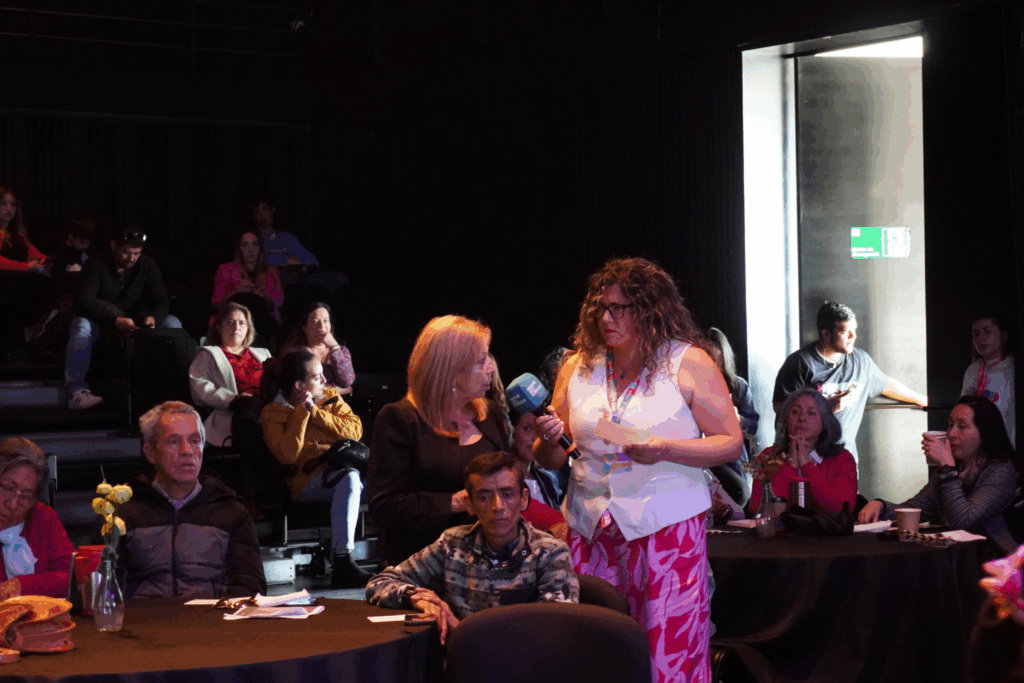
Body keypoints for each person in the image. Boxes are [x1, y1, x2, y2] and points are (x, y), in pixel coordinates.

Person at [533, 256, 743, 683]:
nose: (605, 318)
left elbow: (730, 442)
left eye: (619, 308)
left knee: (666, 652)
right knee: (593, 649)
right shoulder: (578, 366)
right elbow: (550, 458)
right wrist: (549, 439)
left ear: (650, 310)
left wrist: (667, 448)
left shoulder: (688, 362)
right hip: (591, 527)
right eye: (600, 308)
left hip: (666, 528)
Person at [366, 451, 579, 645]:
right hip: (458, 666)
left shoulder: (551, 552)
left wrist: (461, 631)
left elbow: (555, 630)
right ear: (470, 504)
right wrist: (417, 597)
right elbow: (379, 582)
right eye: (484, 497)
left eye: (507, 494)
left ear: (523, 499)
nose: (497, 507)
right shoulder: (453, 544)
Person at [367, 315, 508, 567]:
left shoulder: (490, 414)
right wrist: (458, 502)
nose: (492, 368)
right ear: (450, 370)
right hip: (421, 567)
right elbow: (385, 506)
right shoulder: (400, 419)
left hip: (488, 565)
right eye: (481, 361)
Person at [115, 401, 266, 598]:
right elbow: (104, 590)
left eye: (195, 441)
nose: (187, 451)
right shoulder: (122, 515)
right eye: (174, 442)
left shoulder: (232, 513)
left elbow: (249, 589)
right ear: (150, 453)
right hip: (143, 624)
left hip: (212, 623)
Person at [260, 350, 371, 587]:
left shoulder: (330, 396)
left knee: (376, 479)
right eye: (317, 377)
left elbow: (355, 432)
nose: (324, 381)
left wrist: (316, 413)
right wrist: (302, 412)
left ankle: (392, 560)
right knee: (350, 479)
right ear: (300, 385)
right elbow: (288, 456)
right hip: (305, 482)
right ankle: (343, 561)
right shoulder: (272, 412)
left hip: (340, 470)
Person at [858, 395, 1022, 555]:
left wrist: (946, 467)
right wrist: (881, 506)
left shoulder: (1001, 470)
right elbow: (918, 509)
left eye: (962, 426)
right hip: (956, 555)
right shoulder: (954, 466)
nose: (951, 434)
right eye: (950, 425)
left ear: (985, 432)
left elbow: (963, 521)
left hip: (994, 559)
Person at [772, 301, 928, 461]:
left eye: (854, 331)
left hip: (843, 460)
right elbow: (780, 407)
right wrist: (824, 407)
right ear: (825, 334)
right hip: (803, 460)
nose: (853, 337)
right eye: (846, 332)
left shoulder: (861, 361)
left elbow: (886, 385)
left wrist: (923, 400)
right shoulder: (800, 363)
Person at [64, 228, 182, 410]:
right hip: (102, 323)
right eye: (126, 252)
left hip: (137, 323)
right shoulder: (96, 264)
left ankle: (175, 388)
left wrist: (153, 319)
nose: (131, 258)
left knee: (172, 323)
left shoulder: (147, 266)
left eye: (136, 253)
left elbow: (162, 301)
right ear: (114, 246)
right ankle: (76, 390)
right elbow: (85, 301)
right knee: (81, 326)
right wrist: (115, 320)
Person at [189, 304, 273, 502]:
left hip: (267, 411)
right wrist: (233, 399)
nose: (236, 327)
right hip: (233, 414)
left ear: (248, 328)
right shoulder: (208, 354)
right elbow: (200, 388)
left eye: (242, 323)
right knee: (251, 424)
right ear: (219, 327)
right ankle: (253, 498)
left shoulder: (263, 354)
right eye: (230, 322)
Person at [748, 389, 858, 514]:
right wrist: (791, 466)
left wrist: (806, 465)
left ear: (825, 421)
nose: (801, 418)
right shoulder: (768, 456)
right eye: (795, 412)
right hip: (780, 533)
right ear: (786, 420)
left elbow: (842, 509)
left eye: (811, 413)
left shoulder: (843, 458)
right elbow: (757, 509)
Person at [0, 438, 75, 598]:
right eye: (7, 487)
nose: (13, 504)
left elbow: (72, 576)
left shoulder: (42, 517)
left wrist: (22, 585)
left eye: (26, 496)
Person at [707, 326, 758, 507]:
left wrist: (738, 420)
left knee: (741, 493)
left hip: (732, 457)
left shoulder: (739, 386)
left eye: (717, 359)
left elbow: (753, 428)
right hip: (702, 454)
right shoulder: (689, 386)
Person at [211, 229, 284, 338]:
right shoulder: (225, 269)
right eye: (245, 245)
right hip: (232, 320)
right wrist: (236, 293)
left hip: (264, 323)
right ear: (239, 249)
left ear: (260, 248)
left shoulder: (272, 272)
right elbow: (216, 303)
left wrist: (260, 293)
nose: (250, 250)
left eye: (255, 244)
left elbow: (279, 301)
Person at [510, 410, 568, 539]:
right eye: (527, 429)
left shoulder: (548, 479)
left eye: (539, 430)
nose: (536, 438)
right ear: (510, 431)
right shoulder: (504, 483)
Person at [963, 313, 1015, 447]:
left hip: (1006, 446)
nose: (981, 339)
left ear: (1003, 336)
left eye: (987, 332)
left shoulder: (1013, 369)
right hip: (974, 447)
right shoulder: (972, 370)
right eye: (976, 334)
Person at [279, 302, 354, 393]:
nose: (321, 327)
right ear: (304, 328)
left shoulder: (341, 351)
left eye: (326, 321)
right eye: (315, 321)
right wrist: (338, 390)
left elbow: (347, 382)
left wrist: (335, 347)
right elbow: (299, 387)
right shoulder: (295, 352)